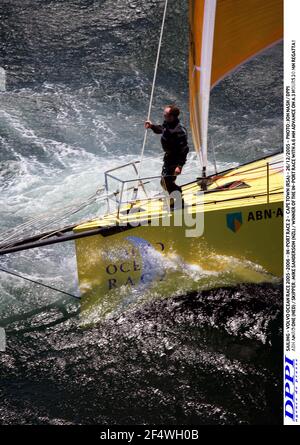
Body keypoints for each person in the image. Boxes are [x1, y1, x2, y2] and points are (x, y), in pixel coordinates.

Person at [144, 105, 189, 207]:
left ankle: (178, 199)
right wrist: (152, 126)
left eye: (166, 114)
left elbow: (184, 149)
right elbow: (162, 129)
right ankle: (174, 196)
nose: (164, 115)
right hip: (168, 157)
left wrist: (180, 166)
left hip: (175, 159)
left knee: (166, 181)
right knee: (164, 181)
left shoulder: (179, 131)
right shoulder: (168, 123)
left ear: (172, 116)